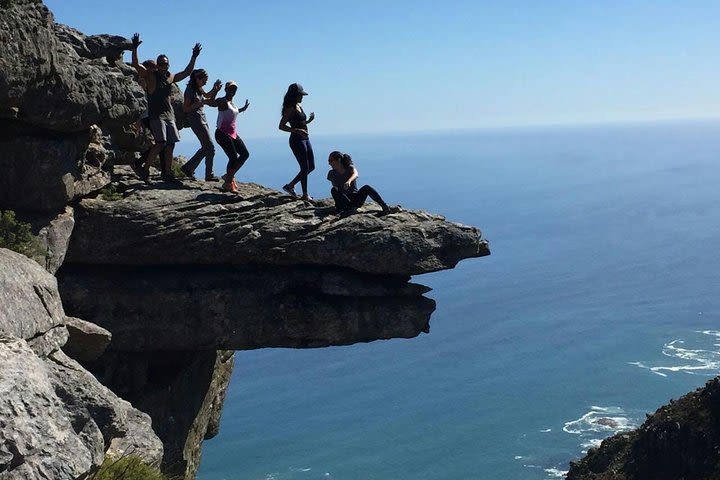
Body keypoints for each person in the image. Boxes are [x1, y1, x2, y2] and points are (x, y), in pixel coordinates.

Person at [130, 32, 201, 182]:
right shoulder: (151, 76)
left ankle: (167, 173)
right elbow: (136, 65)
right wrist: (134, 48)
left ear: (168, 64)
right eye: (161, 64)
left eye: (165, 63)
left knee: (170, 144)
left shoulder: (171, 77)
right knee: (160, 143)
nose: (163, 66)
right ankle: (144, 169)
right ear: (157, 65)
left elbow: (187, 72)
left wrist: (194, 57)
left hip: (170, 115)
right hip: (157, 116)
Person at [205, 81, 250, 193]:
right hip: (222, 133)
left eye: (234, 89)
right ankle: (228, 183)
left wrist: (242, 109)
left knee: (245, 154)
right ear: (226, 89)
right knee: (233, 157)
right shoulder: (222, 101)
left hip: (232, 134)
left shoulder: (232, 103)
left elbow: (233, 112)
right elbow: (211, 103)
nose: (233, 91)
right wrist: (215, 91)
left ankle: (228, 176)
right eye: (230, 88)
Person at [326, 151, 398, 215]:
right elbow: (336, 189)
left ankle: (385, 207)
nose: (329, 163)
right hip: (344, 201)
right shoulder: (331, 173)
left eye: (330, 161)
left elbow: (356, 174)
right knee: (333, 190)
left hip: (355, 199)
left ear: (338, 160)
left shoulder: (349, 168)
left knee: (367, 187)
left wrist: (349, 181)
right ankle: (349, 210)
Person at [181, 69, 222, 181]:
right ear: (197, 78)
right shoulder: (189, 90)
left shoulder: (197, 88)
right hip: (196, 120)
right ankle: (209, 175)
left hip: (201, 118)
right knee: (210, 147)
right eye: (204, 80)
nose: (205, 82)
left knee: (206, 147)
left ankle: (188, 168)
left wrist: (215, 90)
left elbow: (207, 96)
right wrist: (201, 103)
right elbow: (186, 108)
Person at [279, 83, 315, 200]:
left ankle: (290, 186)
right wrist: (297, 130)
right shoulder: (290, 108)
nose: (302, 97)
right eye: (300, 95)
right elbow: (281, 126)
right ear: (294, 95)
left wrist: (308, 120)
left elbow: (300, 121)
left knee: (311, 166)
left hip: (305, 139)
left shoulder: (298, 106)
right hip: (296, 140)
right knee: (305, 167)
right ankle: (305, 194)